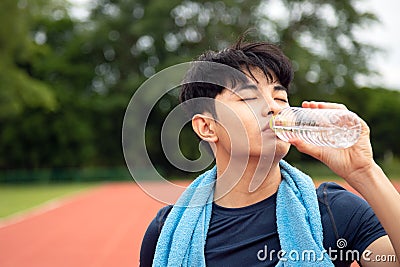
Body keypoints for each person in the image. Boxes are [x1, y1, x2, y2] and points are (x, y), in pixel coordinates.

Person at [139, 37, 400, 266]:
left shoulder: (333, 212)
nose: (272, 108)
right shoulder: (167, 231)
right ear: (207, 127)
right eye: (249, 98)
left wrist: (365, 172)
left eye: (280, 98)